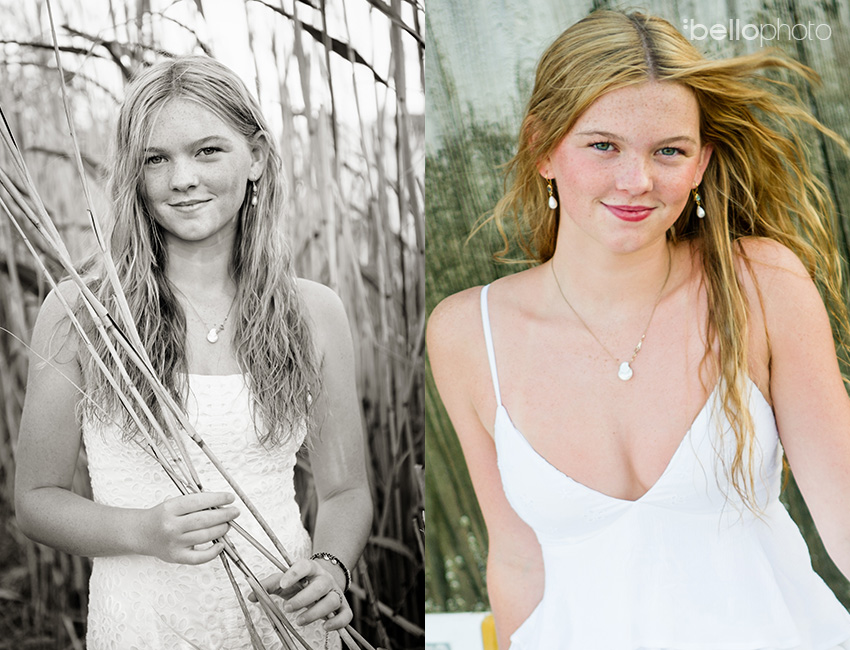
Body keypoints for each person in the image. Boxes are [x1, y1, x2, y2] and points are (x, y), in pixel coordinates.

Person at [428, 9, 850, 650]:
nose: (637, 181)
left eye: (669, 151)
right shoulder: (466, 332)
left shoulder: (760, 282)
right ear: (543, 147)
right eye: (603, 145)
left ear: (702, 161)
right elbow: (517, 560)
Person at [14, 55, 372, 650]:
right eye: (157, 159)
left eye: (208, 151)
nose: (183, 178)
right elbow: (34, 501)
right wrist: (142, 531)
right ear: (134, 174)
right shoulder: (85, 313)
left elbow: (344, 492)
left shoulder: (315, 312)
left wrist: (332, 566)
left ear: (255, 157)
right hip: (145, 627)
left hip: (285, 624)